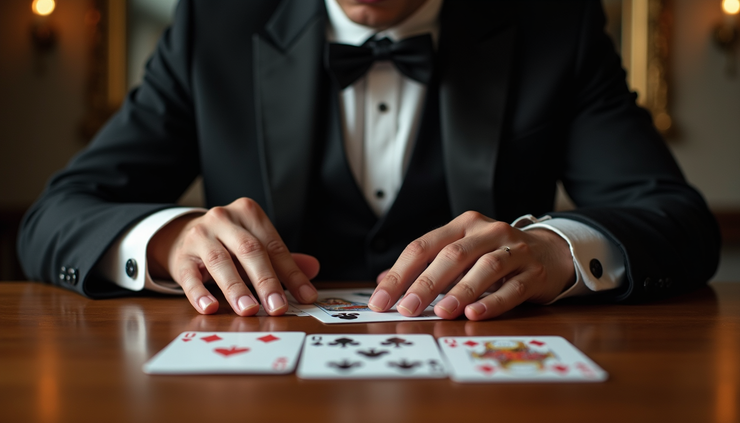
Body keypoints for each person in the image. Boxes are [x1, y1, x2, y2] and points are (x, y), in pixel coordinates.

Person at [18, 0, 720, 321]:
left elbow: (679, 221)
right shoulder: (214, 24)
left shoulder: (554, 25)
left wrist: (555, 248)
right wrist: (169, 239)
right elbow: (56, 215)